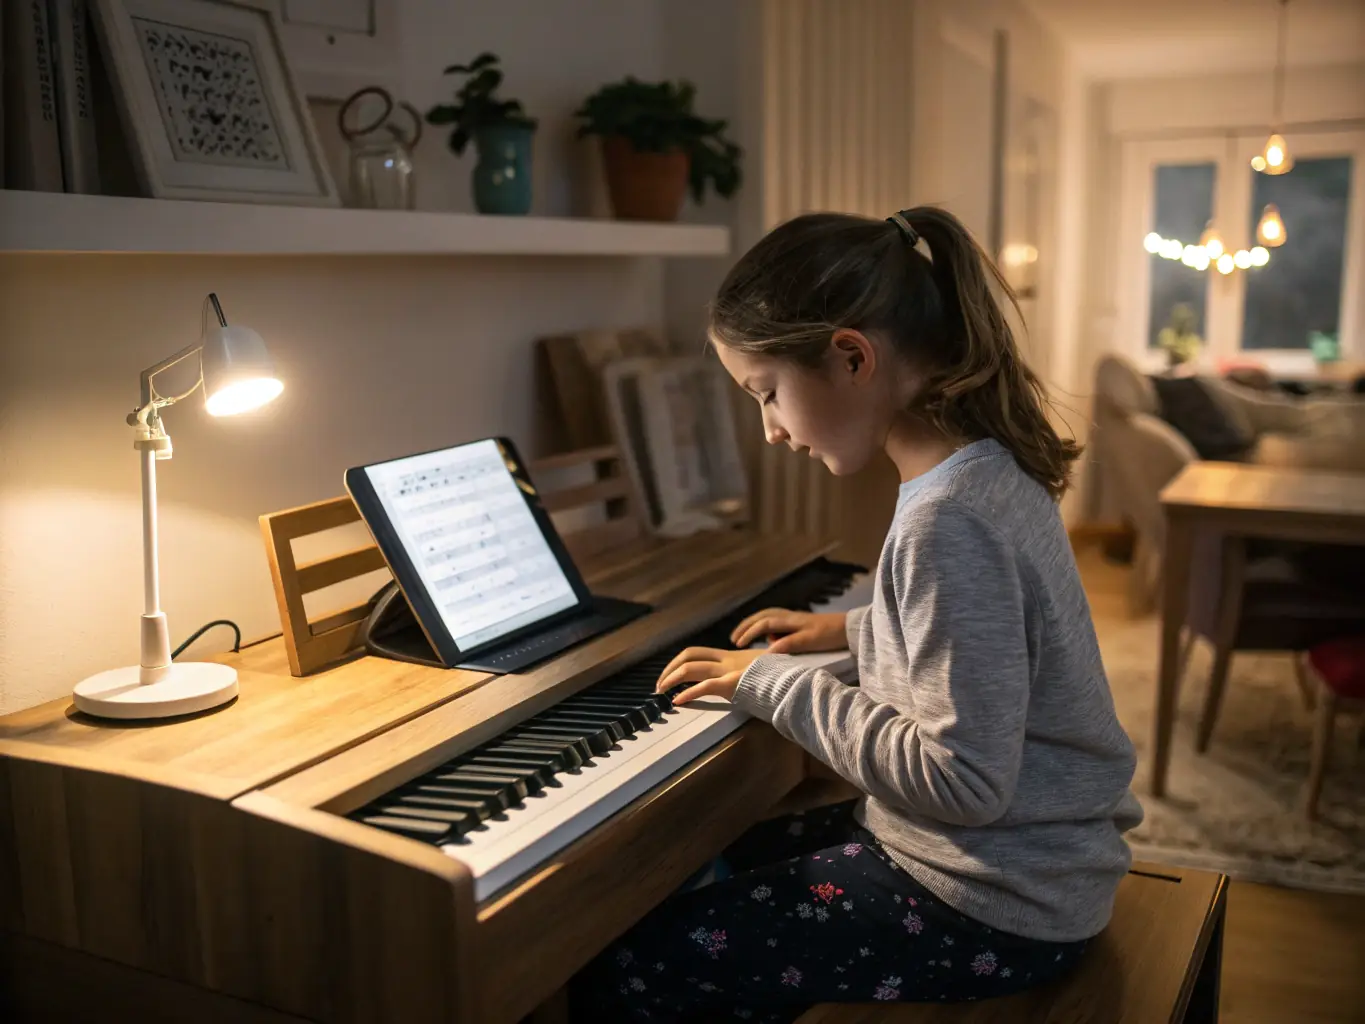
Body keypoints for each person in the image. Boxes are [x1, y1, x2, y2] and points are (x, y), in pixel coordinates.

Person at [566, 207, 1143, 1022]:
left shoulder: (947, 521)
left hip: (997, 900)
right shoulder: (979, 474)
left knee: (634, 962)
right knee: (710, 862)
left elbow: (963, 781)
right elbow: (988, 647)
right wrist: (854, 628)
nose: (769, 431)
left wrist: (776, 685)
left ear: (850, 357)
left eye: (766, 395)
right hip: (1026, 865)